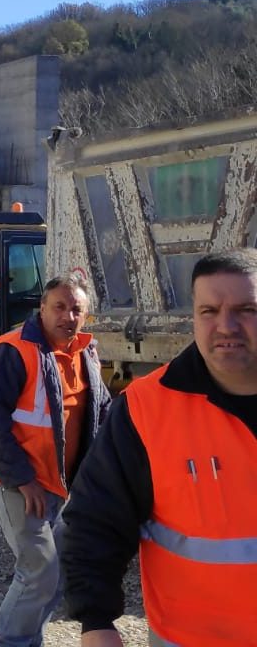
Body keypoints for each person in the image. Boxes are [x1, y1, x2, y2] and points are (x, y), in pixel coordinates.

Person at [61, 249, 257, 646]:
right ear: (193, 318)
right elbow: (94, 519)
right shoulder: (147, 409)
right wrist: (95, 621)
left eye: (246, 309)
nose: (226, 325)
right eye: (209, 311)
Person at [0, 272, 112, 647]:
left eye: (76, 309)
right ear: (42, 309)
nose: (68, 316)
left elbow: (101, 413)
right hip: (20, 480)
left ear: (86, 314)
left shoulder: (86, 353)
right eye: (60, 307)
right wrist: (22, 478)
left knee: (54, 571)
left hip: (63, 483)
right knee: (39, 571)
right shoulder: (13, 350)